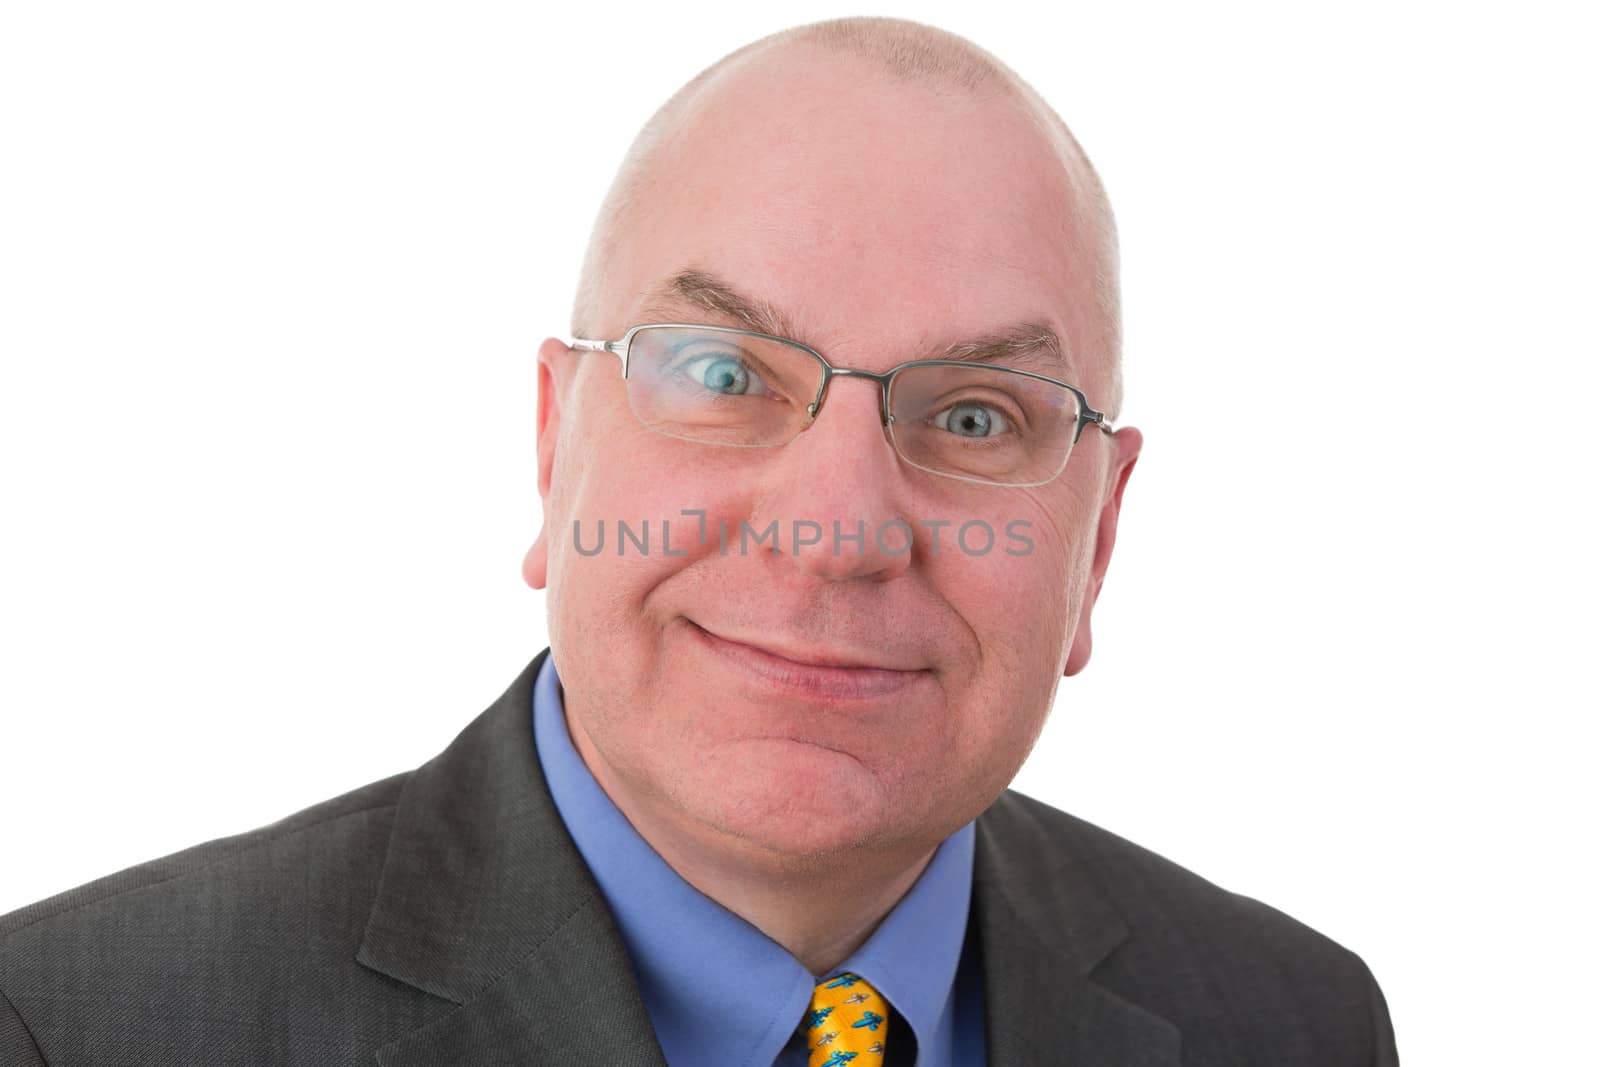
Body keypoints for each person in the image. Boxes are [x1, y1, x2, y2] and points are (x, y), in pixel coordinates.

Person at [0, 15, 1398, 1066]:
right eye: (729, 377)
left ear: (1096, 543)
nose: (838, 528)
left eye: (976, 418)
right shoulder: (77, 1026)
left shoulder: (1295, 1025)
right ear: (555, 449)